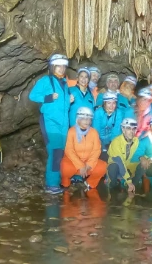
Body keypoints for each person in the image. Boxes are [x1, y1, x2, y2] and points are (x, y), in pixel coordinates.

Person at [30, 53, 71, 193]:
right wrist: (48, 97)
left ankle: (55, 182)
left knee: (60, 153)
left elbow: (63, 107)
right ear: (52, 66)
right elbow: (32, 95)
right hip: (50, 122)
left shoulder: (65, 84)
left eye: (63, 66)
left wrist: (69, 101)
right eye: (58, 66)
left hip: (63, 124)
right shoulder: (45, 80)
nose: (61, 69)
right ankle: (51, 184)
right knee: (55, 152)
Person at [62, 107, 107, 189]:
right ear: (78, 119)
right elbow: (69, 150)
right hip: (73, 162)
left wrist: (89, 164)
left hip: (88, 162)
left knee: (103, 167)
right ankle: (66, 183)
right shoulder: (71, 131)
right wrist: (80, 165)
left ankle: (90, 183)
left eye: (89, 119)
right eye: (84, 119)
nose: (87, 121)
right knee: (65, 167)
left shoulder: (94, 132)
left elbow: (96, 150)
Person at [106, 117, 141, 193]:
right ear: (123, 129)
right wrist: (129, 181)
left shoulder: (137, 141)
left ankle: (129, 185)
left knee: (143, 163)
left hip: (128, 169)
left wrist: (147, 159)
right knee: (113, 166)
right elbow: (120, 163)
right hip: (118, 168)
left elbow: (142, 154)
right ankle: (113, 184)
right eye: (128, 128)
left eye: (134, 129)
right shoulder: (116, 142)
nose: (131, 131)